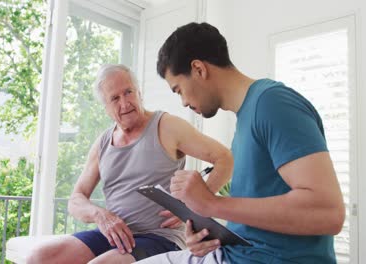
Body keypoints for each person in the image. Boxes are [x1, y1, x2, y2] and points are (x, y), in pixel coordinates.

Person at [136, 22, 346, 264]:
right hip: (232, 254)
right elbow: (256, 217)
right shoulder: (246, 118)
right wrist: (208, 236)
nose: (183, 102)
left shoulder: (273, 104)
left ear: (198, 69)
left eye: (179, 89)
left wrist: (212, 204)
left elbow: (328, 213)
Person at [26, 64, 233, 264]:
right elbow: (76, 199)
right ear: (105, 107)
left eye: (128, 92)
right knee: (38, 258)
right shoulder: (103, 143)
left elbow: (224, 158)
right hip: (114, 235)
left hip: (160, 238)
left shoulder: (167, 126)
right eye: (115, 98)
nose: (124, 103)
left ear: (139, 93)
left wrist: (196, 203)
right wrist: (101, 215)